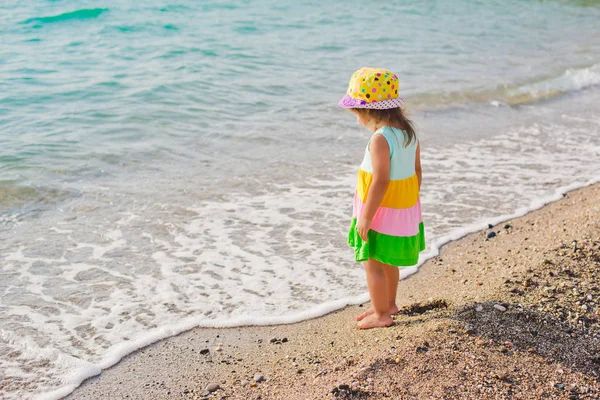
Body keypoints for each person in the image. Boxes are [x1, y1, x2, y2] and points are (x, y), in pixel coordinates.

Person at [338, 67, 426, 329]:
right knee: (388, 261)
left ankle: (381, 315)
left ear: (369, 111)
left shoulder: (380, 139)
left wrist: (366, 216)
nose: (356, 119)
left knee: (372, 262)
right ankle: (389, 304)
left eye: (356, 113)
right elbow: (417, 171)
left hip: (379, 209)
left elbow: (380, 180)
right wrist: (409, 201)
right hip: (401, 207)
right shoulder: (409, 133)